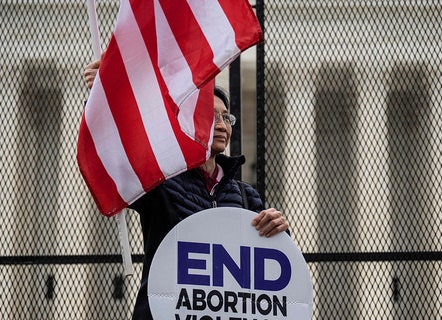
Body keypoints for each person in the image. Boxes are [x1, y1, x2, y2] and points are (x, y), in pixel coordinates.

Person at [84, 60, 289, 319]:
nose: (224, 126)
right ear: (189, 121)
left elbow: (272, 263)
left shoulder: (247, 197)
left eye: (226, 117)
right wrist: (100, 101)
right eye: (212, 116)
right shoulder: (161, 182)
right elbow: (115, 161)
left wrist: (280, 229)